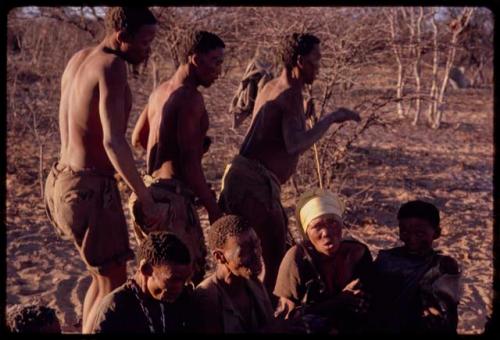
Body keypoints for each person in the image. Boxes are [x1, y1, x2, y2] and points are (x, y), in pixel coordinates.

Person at [43, 7, 166, 333]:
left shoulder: (80, 58)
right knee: (114, 281)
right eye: (144, 41)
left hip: (61, 182)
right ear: (121, 36)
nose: (147, 49)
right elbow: (113, 142)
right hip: (88, 188)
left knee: (100, 276)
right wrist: (145, 196)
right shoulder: (112, 66)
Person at [218, 33, 361, 299]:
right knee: (274, 259)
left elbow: (277, 135)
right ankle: (267, 318)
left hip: (243, 178)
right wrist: (331, 118)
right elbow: (295, 144)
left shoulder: (272, 85)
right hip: (254, 185)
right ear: (299, 61)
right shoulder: (290, 94)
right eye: (315, 61)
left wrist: (304, 117)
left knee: (249, 255)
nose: (318, 68)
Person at [129, 29, 225, 284]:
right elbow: (190, 165)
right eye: (215, 62)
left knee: (155, 276)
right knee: (183, 277)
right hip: (172, 202)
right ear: (195, 59)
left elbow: (138, 139)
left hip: (149, 194)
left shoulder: (160, 91)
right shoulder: (190, 98)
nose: (219, 70)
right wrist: (214, 209)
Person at [273, 188, 373, 334]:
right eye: (317, 226)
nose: (326, 233)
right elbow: (287, 318)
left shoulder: (357, 253)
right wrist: (339, 302)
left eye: (333, 223)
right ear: (306, 232)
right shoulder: (296, 259)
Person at [366, 200, 461, 334]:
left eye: (420, 234)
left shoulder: (442, 265)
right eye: (404, 232)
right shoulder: (386, 259)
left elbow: (448, 314)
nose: (412, 239)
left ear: (436, 233)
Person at [91, 232, 194, 333]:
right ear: (146, 269)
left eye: (184, 279)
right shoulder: (117, 307)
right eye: (173, 279)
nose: (179, 287)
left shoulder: (180, 299)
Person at [193, 215, 276, 333]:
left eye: (257, 244)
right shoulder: (207, 297)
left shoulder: (254, 284)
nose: (256, 254)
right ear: (219, 257)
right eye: (245, 251)